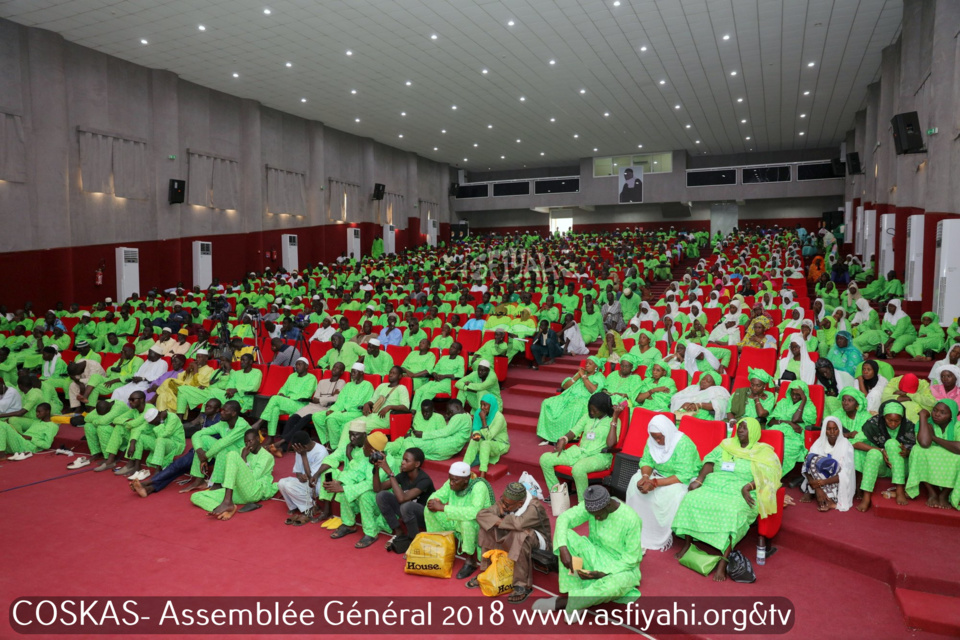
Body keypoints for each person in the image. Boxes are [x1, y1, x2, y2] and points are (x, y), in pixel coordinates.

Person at [672, 417, 782, 582]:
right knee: (691, 499)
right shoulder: (727, 444)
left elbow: (770, 477)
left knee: (732, 511)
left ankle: (723, 562)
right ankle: (687, 544)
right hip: (715, 485)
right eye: (739, 427)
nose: (740, 430)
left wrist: (748, 487)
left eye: (744, 428)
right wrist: (700, 479)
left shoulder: (764, 452)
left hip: (742, 491)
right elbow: (710, 462)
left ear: (753, 431)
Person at [533, 485, 641, 612]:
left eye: (598, 515)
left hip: (620, 567)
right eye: (592, 515)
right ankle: (578, 593)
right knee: (565, 536)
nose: (596, 518)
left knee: (615, 586)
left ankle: (567, 602)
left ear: (608, 505)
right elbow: (564, 518)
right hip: (593, 553)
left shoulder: (632, 519)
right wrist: (563, 548)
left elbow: (631, 558)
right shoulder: (592, 506)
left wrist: (603, 572)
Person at [626, 415, 702, 550]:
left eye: (660, 437)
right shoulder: (652, 440)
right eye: (654, 437)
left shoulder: (683, 443)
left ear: (667, 432)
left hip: (679, 479)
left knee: (674, 493)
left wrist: (654, 483)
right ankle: (636, 529)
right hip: (657, 474)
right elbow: (647, 461)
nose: (657, 440)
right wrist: (644, 477)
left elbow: (683, 475)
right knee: (634, 481)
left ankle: (657, 534)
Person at [469, 482, 552, 604]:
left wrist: (500, 519)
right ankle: (488, 572)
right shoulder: (508, 502)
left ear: (520, 503)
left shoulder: (534, 507)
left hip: (539, 541)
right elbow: (481, 515)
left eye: (506, 504)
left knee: (520, 535)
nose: (502, 505)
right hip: (514, 532)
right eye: (502, 500)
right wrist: (499, 517)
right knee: (488, 528)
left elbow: (519, 524)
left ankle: (522, 585)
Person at [312, 425, 391, 548]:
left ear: (372, 450)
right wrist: (339, 482)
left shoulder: (388, 461)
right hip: (367, 490)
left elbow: (372, 484)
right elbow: (355, 473)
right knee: (346, 486)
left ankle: (371, 533)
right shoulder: (367, 458)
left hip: (383, 497)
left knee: (363, 495)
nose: (363, 448)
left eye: (365, 446)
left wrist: (343, 488)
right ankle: (349, 524)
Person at [128, 399, 223, 497]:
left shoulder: (220, 420)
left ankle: (147, 483)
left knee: (177, 465)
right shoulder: (204, 416)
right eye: (206, 405)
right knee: (178, 470)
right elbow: (191, 425)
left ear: (217, 410)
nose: (206, 408)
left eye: (209, 407)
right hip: (198, 449)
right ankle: (150, 489)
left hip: (208, 453)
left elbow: (217, 441)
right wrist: (180, 426)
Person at [540, 393, 623, 498]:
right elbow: (574, 431)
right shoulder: (588, 417)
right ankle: (557, 496)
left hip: (599, 457)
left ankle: (583, 504)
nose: (591, 412)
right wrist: (563, 439)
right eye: (590, 409)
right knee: (545, 459)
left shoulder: (614, 421)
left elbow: (610, 444)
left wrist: (614, 418)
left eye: (595, 410)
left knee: (578, 469)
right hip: (579, 452)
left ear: (604, 409)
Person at [424, 461, 496, 579]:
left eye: (455, 481)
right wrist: (432, 501)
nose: (451, 483)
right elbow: (438, 494)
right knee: (429, 510)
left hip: (478, 525)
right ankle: (440, 546)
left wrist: (443, 507)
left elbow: (474, 512)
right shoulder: (452, 481)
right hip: (456, 519)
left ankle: (470, 560)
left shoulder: (479, 487)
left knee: (466, 522)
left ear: (466, 480)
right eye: (450, 479)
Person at [190, 429, 278, 521]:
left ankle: (227, 502)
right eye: (246, 442)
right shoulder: (242, 450)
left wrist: (243, 458)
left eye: (250, 441)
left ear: (257, 439)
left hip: (254, 491)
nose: (248, 445)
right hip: (238, 491)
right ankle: (227, 509)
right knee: (196, 496)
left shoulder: (267, 457)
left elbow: (253, 478)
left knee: (232, 454)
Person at [852, 401, 915, 512]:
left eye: (897, 421)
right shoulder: (873, 424)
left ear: (902, 418)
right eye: (889, 420)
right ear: (883, 417)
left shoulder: (908, 426)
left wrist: (909, 452)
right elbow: (855, 443)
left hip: (903, 467)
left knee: (891, 443)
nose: (893, 424)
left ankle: (900, 488)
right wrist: (880, 450)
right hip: (883, 467)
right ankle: (866, 496)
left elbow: (919, 450)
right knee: (873, 453)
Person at [374, 446, 435, 553]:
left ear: (417, 464)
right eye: (403, 459)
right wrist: (376, 468)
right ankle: (399, 532)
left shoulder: (424, 480)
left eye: (407, 460)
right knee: (382, 496)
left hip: (424, 517)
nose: (402, 462)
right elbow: (378, 488)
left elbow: (402, 499)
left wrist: (389, 473)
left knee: (406, 505)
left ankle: (413, 541)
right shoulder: (404, 475)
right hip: (406, 513)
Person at [276, 361, 347, 450]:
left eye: (338, 368)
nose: (334, 369)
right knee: (293, 418)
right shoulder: (322, 382)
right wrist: (330, 396)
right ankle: (283, 446)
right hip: (313, 406)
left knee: (304, 419)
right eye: (334, 367)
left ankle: (282, 442)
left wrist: (322, 399)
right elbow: (315, 398)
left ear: (341, 372)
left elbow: (336, 399)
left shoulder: (341, 382)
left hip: (327, 408)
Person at [536, 356, 605, 444]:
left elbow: (594, 390)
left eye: (590, 364)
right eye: (586, 363)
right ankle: (548, 435)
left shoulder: (599, 376)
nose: (587, 365)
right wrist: (578, 376)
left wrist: (583, 376)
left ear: (596, 367)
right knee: (547, 403)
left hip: (583, 400)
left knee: (575, 408)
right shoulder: (580, 374)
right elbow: (565, 386)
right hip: (567, 397)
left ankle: (564, 437)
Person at [252, 357, 317, 450]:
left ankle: (260, 422)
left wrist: (288, 397)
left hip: (300, 405)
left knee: (275, 398)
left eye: (300, 364)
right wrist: (282, 393)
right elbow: (284, 388)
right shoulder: (292, 376)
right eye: (296, 364)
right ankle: (271, 437)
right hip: (287, 403)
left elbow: (307, 394)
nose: (297, 366)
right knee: (274, 410)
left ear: (306, 366)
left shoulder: (311, 378)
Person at [906, 400, 960, 509]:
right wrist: (922, 416)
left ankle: (944, 494)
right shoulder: (926, 423)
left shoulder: (957, 426)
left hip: (949, 461)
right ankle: (932, 493)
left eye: (942, 412)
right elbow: (925, 443)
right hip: (933, 459)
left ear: (952, 416)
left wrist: (934, 438)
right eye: (935, 410)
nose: (937, 414)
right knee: (918, 450)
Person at [801, 416, 855, 511]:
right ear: (824, 430)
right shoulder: (819, 443)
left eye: (835, 429)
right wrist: (818, 488)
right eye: (829, 429)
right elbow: (807, 465)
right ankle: (819, 493)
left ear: (840, 429)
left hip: (836, 480)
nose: (832, 432)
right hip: (818, 479)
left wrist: (821, 483)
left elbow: (845, 473)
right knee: (810, 458)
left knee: (831, 464)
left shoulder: (846, 445)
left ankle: (828, 499)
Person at [276, 431, 330, 525]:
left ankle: (311, 507)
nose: (295, 451)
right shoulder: (300, 450)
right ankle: (294, 506)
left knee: (289, 486)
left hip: (317, 485)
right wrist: (300, 476)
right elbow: (298, 471)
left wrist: (303, 455)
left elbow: (312, 479)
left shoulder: (321, 452)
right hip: (306, 482)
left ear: (303, 447)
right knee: (281, 482)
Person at [461, 394, 509, 478]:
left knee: (485, 444)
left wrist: (483, 419)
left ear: (492, 406)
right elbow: (476, 428)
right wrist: (476, 435)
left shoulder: (499, 418)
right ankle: (464, 467)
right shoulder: (478, 413)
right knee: (474, 440)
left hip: (499, 443)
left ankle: (483, 473)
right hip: (484, 439)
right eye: (481, 404)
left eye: (485, 405)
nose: (482, 407)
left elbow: (488, 437)